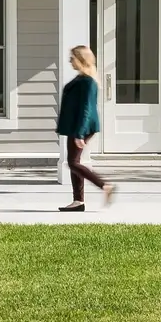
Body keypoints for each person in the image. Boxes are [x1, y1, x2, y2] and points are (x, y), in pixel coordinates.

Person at [57, 43, 115, 211]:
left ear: (80, 59)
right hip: (75, 126)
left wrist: (80, 133)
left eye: (72, 57)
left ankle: (105, 185)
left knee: (73, 163)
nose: (70, 61)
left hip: (81, 127)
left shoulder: (88, 82)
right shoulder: (81, 78)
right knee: (73, 162)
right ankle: (78, 201)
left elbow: (86, 109)